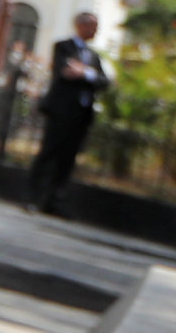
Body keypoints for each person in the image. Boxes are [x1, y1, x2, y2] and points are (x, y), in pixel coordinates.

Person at [27, 11, 112, 213]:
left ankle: (53, 202)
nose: (95, 30)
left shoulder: (93, 56)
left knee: (67, 159)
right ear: (80, 25)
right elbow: (64, 73)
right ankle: (33, 198)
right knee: (48, 154)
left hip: (81, 115)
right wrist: (87, 75)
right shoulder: (63, 47)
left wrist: (85, 72)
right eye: (92, 25)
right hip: (60, 112)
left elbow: (104, 81)